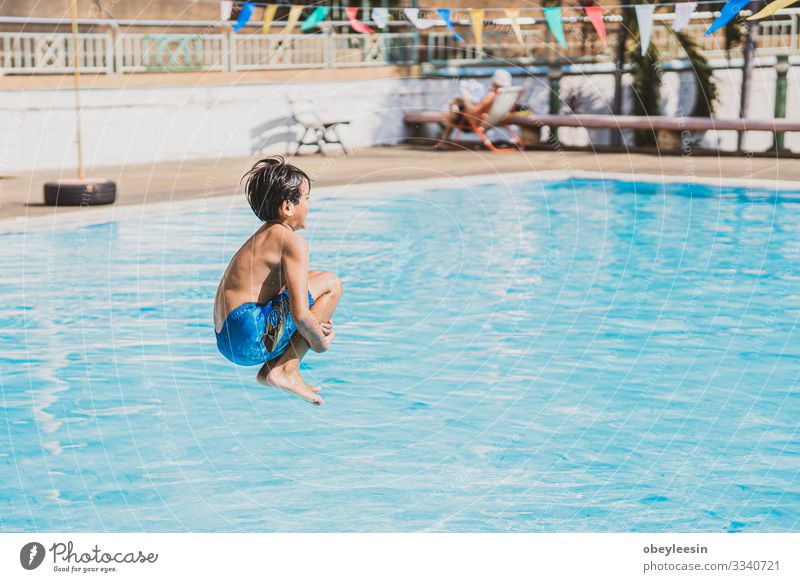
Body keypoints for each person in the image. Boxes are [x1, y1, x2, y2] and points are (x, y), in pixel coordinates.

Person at [213, 156, 342, 406]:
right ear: (287, 207)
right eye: (306, 198)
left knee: (313, 278)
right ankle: (286, 370)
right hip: (249, 333)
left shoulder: (263, 237)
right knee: (331, 284)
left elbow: (290, 297)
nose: (309, 204)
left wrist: (313, 322)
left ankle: (274, 370)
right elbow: (301, 315)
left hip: (228, 338)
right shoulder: (291, 241)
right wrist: (319, 341)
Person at [437, 69, 513, 147]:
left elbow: (473, 111)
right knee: (455, 106)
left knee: (451, 112)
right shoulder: (506, 95)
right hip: (489, 119)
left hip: (475, 121)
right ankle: (443, 139)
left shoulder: (491, 95)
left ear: (494, 81)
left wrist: (466, 98)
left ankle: (443, 140)